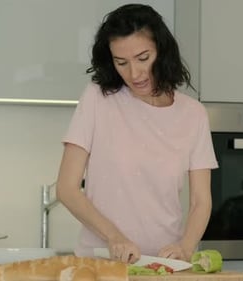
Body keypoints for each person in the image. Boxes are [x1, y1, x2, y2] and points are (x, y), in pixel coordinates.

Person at [55, 3, 218, 264]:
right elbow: (66, 188)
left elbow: (201, 201)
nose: (134, 73)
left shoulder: (193, 114)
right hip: (100, 264)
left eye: (143, 58)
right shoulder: (99, 98)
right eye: (122, 62)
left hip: (164, 265)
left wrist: (185, 248)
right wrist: (114, 237)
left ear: (162, 52)